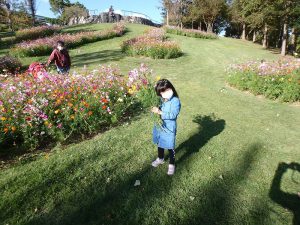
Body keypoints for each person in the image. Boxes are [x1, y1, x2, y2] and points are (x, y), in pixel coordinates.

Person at [151, 79, 181, 175]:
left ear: (171, 88)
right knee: (160, 143)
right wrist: (155, 109)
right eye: (162, 91)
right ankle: (160, 158)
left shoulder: (176, 101)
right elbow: (157, 107)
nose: (165, 92)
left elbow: (173, 115)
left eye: (167, 89)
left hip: (169, 127)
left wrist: (160, 112)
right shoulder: (161, 99)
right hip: (160, 125)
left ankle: (172, 164)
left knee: (170, 146)